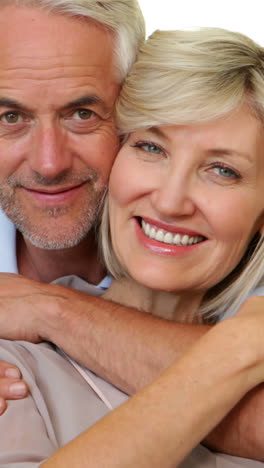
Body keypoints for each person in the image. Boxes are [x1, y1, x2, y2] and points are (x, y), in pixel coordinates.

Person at [0, 0, 263, 462]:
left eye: (222, 170)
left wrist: (49, 309)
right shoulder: (15, 364)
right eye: (151, 147)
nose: (169, 201)